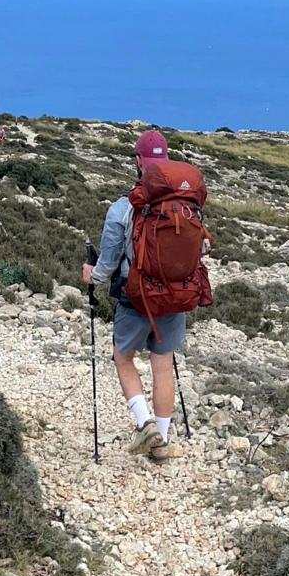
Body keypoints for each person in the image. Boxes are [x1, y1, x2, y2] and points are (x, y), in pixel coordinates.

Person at [84, 129, 208, 458]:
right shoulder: (187, 205)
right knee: (163, 364)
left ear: (139, 162)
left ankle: (145, 423)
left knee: (123, 358)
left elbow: (109, 263)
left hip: (135, 296)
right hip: (176, 295)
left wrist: (92, 276)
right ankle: (161, 442)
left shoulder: (123, 208)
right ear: (165, 161)